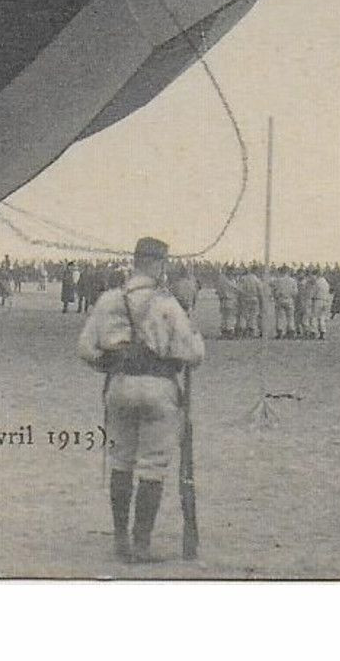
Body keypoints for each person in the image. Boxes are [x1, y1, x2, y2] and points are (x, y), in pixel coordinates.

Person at [77, 237, 204, 563]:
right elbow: (192, 353)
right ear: (160, 264)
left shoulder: (109, 300)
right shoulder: (168, 304)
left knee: (121, 463)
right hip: (159, 387)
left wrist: (113, 363)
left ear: (134, 262)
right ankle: (142, 544)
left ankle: (120, 540)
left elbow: (85, 349)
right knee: (152, 466)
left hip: (119, 386)